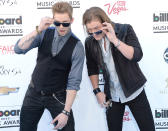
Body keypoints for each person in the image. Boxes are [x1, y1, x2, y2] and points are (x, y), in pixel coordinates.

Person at [14, 2, 84, 131]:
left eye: (66, 23)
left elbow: (74, 82)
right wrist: (38, 30)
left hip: (57, 96)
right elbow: (18, 49)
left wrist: (66, 112)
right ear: (53, 20)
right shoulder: (44, 32)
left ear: (72, 20)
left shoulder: (77, 46)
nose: (61, 26)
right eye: (57, 23)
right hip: (33, 93)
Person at [83, 7, 155, 131]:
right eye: (90, 31)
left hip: (134, 91)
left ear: (105, 22)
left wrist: (115, 40)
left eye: (97, 30)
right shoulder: (90, 42)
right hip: (112, 96)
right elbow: (92, 68)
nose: (94, 34)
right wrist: (97, 91)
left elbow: (137, 55)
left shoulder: (125, 30)